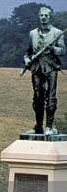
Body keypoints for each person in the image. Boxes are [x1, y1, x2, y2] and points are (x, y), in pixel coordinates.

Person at [24, 7, 66, 135]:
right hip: (36, 67)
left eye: (46, 15)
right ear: (39, 16)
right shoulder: (33, 33)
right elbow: (28, 52)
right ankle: (38, 126)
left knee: (51, 96)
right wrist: (26, 60)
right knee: (38, 96)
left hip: (51, 66)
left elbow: (62, 51)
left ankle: (49, 126)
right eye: (41, 15)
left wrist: (53, 48)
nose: (43, 17)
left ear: (50, 17)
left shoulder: (57, 33)